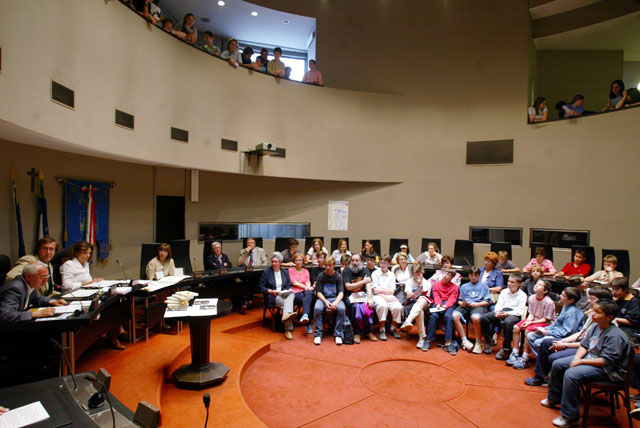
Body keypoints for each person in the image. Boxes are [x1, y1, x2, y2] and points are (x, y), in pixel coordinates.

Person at [541, 299, 630, 428]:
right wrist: (577, 358)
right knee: (558, 364)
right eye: (593, 310)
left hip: (608, 370)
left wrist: (581, 361)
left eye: (597, 312)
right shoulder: (596, 326)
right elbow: (584, 345)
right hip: (592, 359)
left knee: (571, 374)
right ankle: (554, 398)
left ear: (609, 317)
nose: (593, 313)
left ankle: (570, 417)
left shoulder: (615, 335)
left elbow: (607, 361)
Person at [525, 286, 613, 386]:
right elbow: (580, 333)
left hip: (586, 349)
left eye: (592, 299)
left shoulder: (603, 322)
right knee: (544, 342)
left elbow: (586, 343)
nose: (588, 301)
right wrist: (561, 341)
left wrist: (564, 344)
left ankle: (550, 377)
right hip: (579, 343)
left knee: (550, 352)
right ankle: (541, 376)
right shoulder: (591, 315)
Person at [522, 287, 584, 369]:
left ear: (571, 300)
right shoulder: (566, 306)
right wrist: (546, 329)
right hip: (556, 331)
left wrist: (547, 332)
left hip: (564, 337)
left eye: (563, 295)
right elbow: (556, 324)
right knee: (531, 335)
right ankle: (542, 360)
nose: (560, 296)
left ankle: (545, 364)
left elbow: (567, 332)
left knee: (538, 342)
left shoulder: (572, 312)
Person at [505, 277, 555, 363]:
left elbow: (546, 319)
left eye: (540, 285)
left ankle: (525, 356)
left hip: (545, 322)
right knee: (516, 327)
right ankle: (515, 352)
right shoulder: (531, 297)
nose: (536, 286)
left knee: (528, 330)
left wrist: (530, 323)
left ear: (545, 291)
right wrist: (528, 321)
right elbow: (531, 314)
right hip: (534, 320)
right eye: (537, 284)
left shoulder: (549, 302)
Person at [0, 263, 67, 323]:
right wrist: (37, 313)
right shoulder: (14, 288)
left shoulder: (28, 284)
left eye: (47, 277)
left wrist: (52, 301)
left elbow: (37, 298)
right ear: (28, 277)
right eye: (42, 277)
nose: (46, 281)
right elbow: (6, 315)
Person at [481, 274, 527, 357]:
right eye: (508, 281)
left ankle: (506, 347)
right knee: (484, 318)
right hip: (502, 311)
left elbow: (520, 310)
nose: (509, 284)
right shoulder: (504, 291)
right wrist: (497, 312)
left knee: (508, 322)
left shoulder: (523, 295)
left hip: (514, 313)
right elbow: (499, 304)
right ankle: (489, 340)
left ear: (519, 284)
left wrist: (508, 313)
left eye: (512, 282)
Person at [259, 252, 297, 340]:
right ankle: (288, 329)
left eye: (276, 262)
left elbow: (288, 285)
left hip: (283, 294)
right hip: (272, 297)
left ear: (280, 262)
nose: (273, 264)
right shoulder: (266, 272)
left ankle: (285, 314)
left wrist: (289, 289)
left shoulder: (285, 272)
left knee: (292, 293)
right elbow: (261, 287)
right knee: (287, 303)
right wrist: (271, 291)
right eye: (272, 261)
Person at [454, 267, 492, 354]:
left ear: (479, 276)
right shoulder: (464, 286)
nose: (473, 277)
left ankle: (478, 342)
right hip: (466, 305)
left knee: (475, 317)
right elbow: (459, 300)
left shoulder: (484, 286)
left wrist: (477, 304)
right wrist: (462, 303)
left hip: (478, 305)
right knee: (455, 315)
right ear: (469, 275)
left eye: (475, 275)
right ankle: (464, 340)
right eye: (471, 275)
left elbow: (488, 302)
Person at [342, 253, 375, 343]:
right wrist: (363, 282)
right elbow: (348, 287)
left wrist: (370, 299)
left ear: (361, 262)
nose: (354, 263)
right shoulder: (346, 271)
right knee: (355, 307)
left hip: (362, 296)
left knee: (369, 305)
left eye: (357, 261)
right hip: (350, 296)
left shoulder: (365, 271)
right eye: (353, 261)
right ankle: (357, 332)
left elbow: (368, 285)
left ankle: (368, 331)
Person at [312, 256, 346, 346]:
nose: (327, 267)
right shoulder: (321, 276)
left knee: (342, 309)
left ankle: (338, 334)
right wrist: (325, 301)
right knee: (317, 308)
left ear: (334, 265)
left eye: (329, 265)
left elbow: (341, 292)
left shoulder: (338, 276)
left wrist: (336, 303)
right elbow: (318, 292)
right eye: (326, 265)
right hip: (323, 298)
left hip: (335, 298)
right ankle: (318, 334)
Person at [426, 269, 459, 354]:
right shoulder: (436, 285)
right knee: (433, 316)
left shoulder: (455, 287)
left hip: (449, 304)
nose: (445, 275)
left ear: (451, 277)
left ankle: (448, 342)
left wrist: (446, 305)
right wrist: (438, 304)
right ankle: (429, 340)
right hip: (438, 303)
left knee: (448, 316)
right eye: (444, 273)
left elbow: (453, 298)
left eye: (448, 275)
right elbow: (436, 295)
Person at [400, 264, 433, 349]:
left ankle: (408, 320)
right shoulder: (409, 281)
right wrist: (410, 295)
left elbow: (426, 297)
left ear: (423, 272)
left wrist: (420, 284)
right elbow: (409, 295)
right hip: (413, 304)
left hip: (425, 303)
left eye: (419, 274)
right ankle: (422, 337)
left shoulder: (427, 283)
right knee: (419, 312)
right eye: (415, 274)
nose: (417, 276)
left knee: (421, 300)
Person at [371, 255, 403, 340]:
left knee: (398, 307)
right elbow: (375, 291)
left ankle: (392, 328)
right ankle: (382, 329)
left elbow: (392, 291)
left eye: (384, 263)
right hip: (377, 296)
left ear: (388, 264)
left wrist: (382, 291)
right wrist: (386, 295)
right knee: (383, 305)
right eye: (381, 263)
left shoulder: (392, 275)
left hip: (389, 296)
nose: (382, 265)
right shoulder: (375, 273)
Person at [288, 252, 313, 324]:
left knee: (309, 293)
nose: (298, 262)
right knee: (309, 299)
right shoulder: (291, 270)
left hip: (305, 291)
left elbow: (308, 282)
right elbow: (294, 282)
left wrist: (308, 287)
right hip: (296, 292)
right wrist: (305, 287)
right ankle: (306, 318)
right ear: (294, 261)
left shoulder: (306, 271)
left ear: (303, 261)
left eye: (300, 260)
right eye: (296, 260)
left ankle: (305, 315)